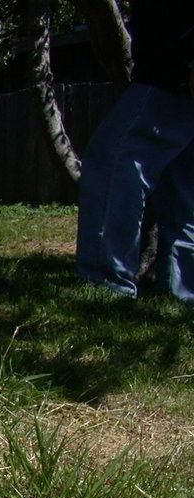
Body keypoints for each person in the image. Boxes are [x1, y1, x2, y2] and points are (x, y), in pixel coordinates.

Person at [76, 1, 194, 303]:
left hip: (170, 75)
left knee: (113, 164)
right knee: (179, 184)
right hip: (175, 74)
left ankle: (107, 283)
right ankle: (182, 290)